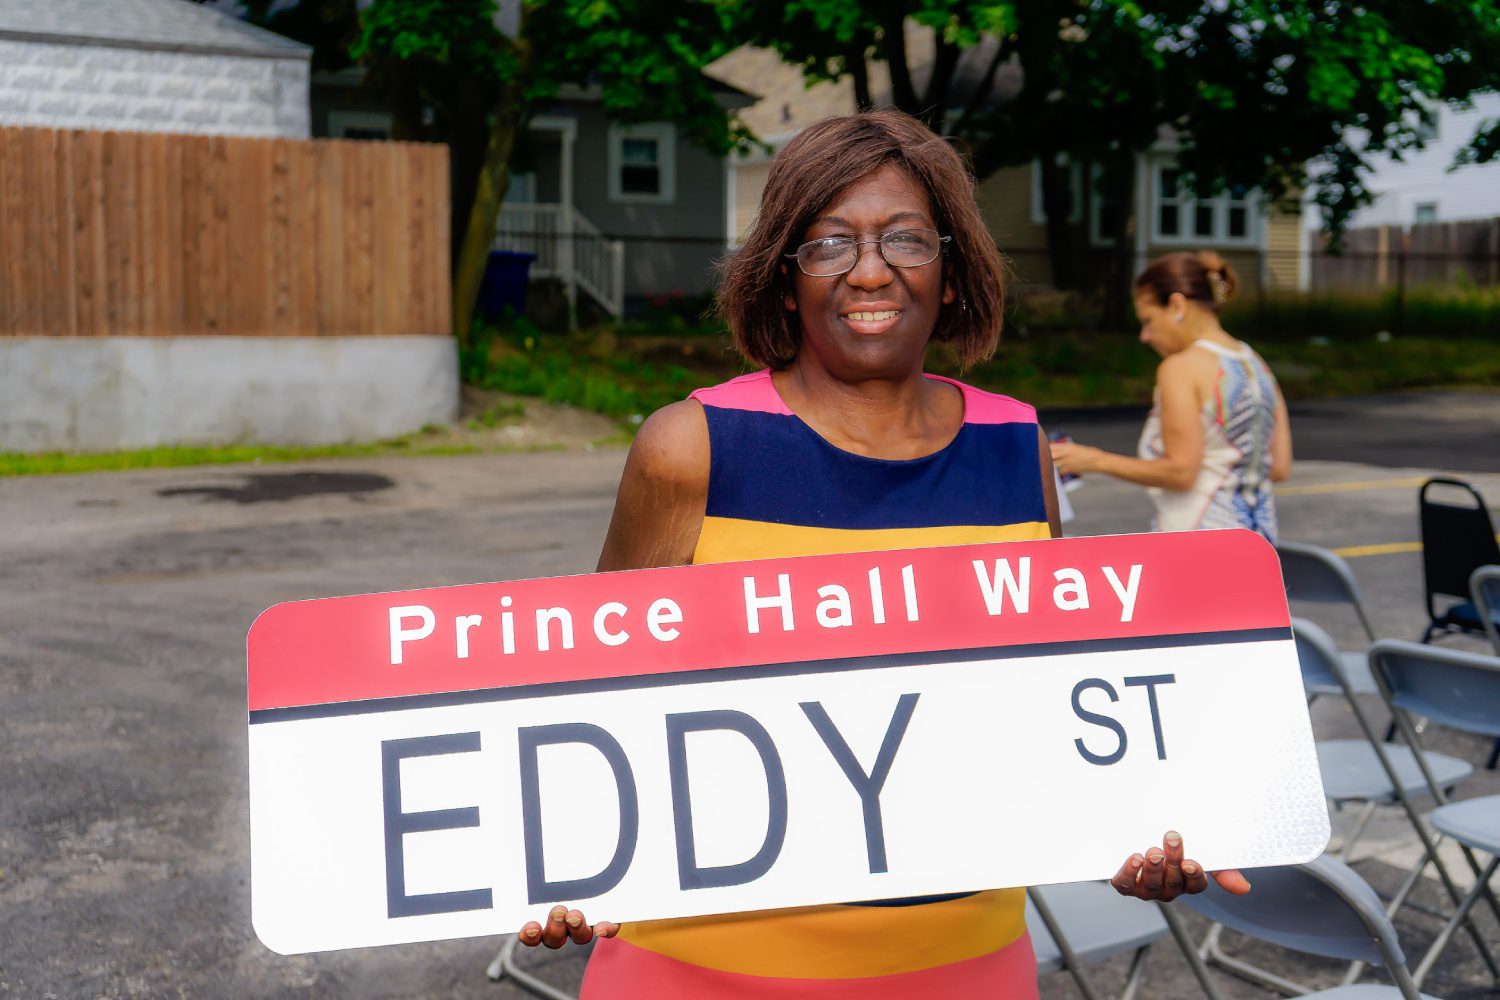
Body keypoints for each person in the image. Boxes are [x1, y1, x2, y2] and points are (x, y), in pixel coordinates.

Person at [518, 112, 1249, 997]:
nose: (870, 270)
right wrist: (559, 865)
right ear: (785, 280)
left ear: (951, 270)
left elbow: (1059, 714)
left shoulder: (1016, 449)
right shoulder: (693, 448)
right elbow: (585, 700)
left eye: (905, 238)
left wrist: (1136, 830)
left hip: (966, 971)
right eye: (829, 245)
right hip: (701, 973)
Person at [1050, 252, 1292, 542]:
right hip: (1259, 545)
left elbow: (1181, 471)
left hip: (1200, 543)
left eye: (1149, 320)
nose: (1145, 336)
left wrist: (1094, 460)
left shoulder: (1180, 368)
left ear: (1177, 305)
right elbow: (1278, 467)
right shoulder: (1257, 365)